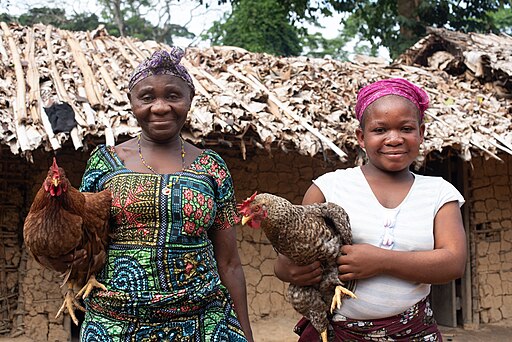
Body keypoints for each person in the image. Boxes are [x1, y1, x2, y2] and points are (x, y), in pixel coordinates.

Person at [42, 48, 253, 341]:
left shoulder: (212, 168)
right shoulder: (104, 163)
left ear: (189, 100)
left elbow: (229, 263)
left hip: (202, 323)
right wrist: (64, 258)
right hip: (115, 325)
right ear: (132, 103)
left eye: (173, 95)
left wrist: (246, 333)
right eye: (147, 97)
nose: (160, 107)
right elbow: (80, 239)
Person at [274, 78, 467, 341]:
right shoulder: (329, 187)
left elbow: (453, 263)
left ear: (421, 133)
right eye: (380, 130)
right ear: (361, 137)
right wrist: (287, 271)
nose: (394, 139)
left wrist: (382, 261)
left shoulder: (439, 193)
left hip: (412, 332)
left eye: (406, 128)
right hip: (337, 332)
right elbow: (290, 256)